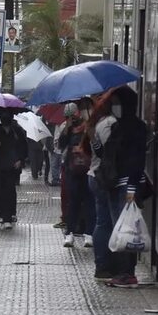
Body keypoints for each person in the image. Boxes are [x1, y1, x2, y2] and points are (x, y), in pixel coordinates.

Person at [89, 87, 147, 288]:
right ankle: (120, 271)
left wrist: (132, 188)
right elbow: (108, 154)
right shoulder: (118, 127)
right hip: (114, 184)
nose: (115, 107)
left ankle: (126, 272)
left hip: (126, 186)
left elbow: (137, 160)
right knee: (118, 227)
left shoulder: (137, 128)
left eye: (117, 103)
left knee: (126, 229)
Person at [83, 94, 117, 280]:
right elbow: (102, 152)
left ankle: (103, 263)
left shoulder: (97, 124)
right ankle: (103, 264)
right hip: (101, 177)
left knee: (102, 220)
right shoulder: (108, 124)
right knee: (105, 222)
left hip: (95, 175)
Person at [0, 109, 28, 229]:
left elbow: (23, 146)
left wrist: (20, 160)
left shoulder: (16, 130)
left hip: (11, 167)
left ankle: (8, 217)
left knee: (9, 191)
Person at [58, 103, 96, 248]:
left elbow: (94, 143)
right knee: (72, 202)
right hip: (72, 170)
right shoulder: (67, 129)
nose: (71, 119)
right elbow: (60, 145)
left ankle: (89, 233)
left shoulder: (87, 126)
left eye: (72, 116)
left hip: (87, 169)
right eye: (68, 117)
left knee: (89, 202)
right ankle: (69, 233)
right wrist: (67, 129)